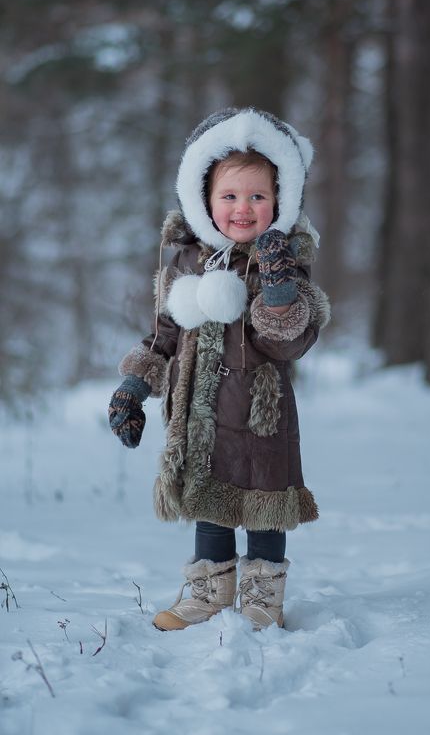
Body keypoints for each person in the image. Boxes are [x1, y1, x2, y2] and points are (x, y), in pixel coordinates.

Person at [108, 108, 330, 632]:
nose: (243, 208)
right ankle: (207, 592)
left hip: (260, 413)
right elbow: (164, 334)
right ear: (204, 198)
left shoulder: (280, 261)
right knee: (208, 502)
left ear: (280, 200)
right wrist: (133, 387)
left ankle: (261, 595)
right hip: (198, 413)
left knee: (263, 502)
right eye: (229, 196)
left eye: (258, 196)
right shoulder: (187, 260)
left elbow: (290, 343)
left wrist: (277, 289)